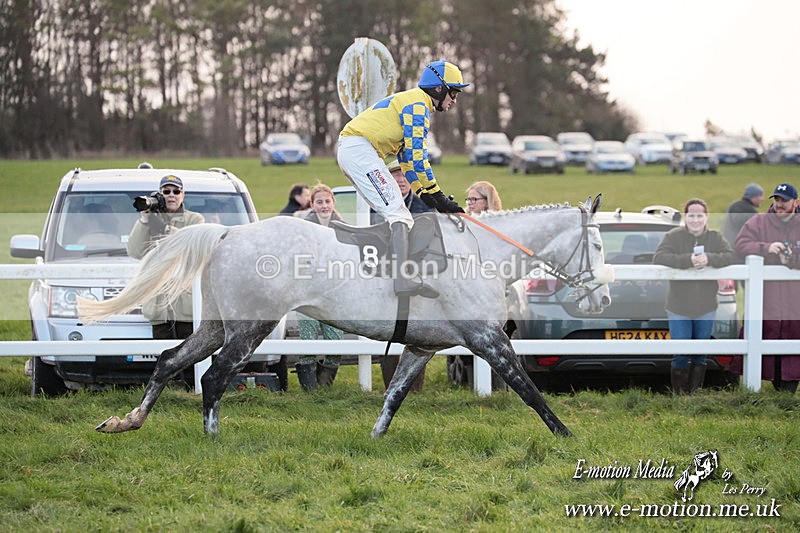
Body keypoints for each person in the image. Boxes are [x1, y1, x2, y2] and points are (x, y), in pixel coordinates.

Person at [337, 60, 469, 299]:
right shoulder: (418, 105)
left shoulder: (415, 102)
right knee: (398, 213)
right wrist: (438, 195)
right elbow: (420, 158)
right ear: (438, 89)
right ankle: (402, 277)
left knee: (394, 212)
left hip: (356, 150)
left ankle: (390, 268)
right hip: (360, 150)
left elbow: (407, 161)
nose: (454, 101)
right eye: (453, 93)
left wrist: (425, 194)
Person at [653, 198, 736, 394]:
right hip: (678, 306)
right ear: (685, 217)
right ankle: (680, 395)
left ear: (706, 217)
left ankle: (694, 394)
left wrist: (711, 259)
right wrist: (687, 260)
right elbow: (659, 257)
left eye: (700, 215)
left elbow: (730, 256)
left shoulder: (715, 237)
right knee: (681, 353)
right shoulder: (673, 236)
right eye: (692, 215)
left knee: (700, 354)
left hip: (706, 306)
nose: (696, 220)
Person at [734, 182, 800, 393]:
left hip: (795, 297)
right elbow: (740, 244)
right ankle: (763, 386)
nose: (780, 205)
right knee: (766, 332)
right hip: (766, 295)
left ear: (795, 202)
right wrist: (767, 248)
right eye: (777, 200)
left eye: (785, 201)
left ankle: (788, 391)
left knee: (793, 335)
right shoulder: (759, 222)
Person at [127, 175, 205, 340]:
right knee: (163, 360)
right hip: (158, 307)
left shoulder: (195, 219)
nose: (172, 195)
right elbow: (135, 251)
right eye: (167, 191)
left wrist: (164, 228)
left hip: (186, 308)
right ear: (160, 193)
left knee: (189, 360)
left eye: (176, 191)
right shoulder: (151, 219)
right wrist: (144, 220)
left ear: (182, 195)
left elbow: (190, 246)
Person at [294, 183, 346, 390]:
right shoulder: (303, 229)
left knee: (335, 338)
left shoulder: (344, 227)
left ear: (333, 203)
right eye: (319, 202)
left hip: (334, 293)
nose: (324, 206)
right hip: (307, 293)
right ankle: (309, 390)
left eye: (327, 201)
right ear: (312, 204)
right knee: (308, 336)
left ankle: (325, 388)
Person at [722, 183, 764, 254]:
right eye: (760, 196)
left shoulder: (733, 205)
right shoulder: (751, 212)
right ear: (754, 197)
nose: (762, 199)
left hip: (724, 245)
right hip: (739, 249)